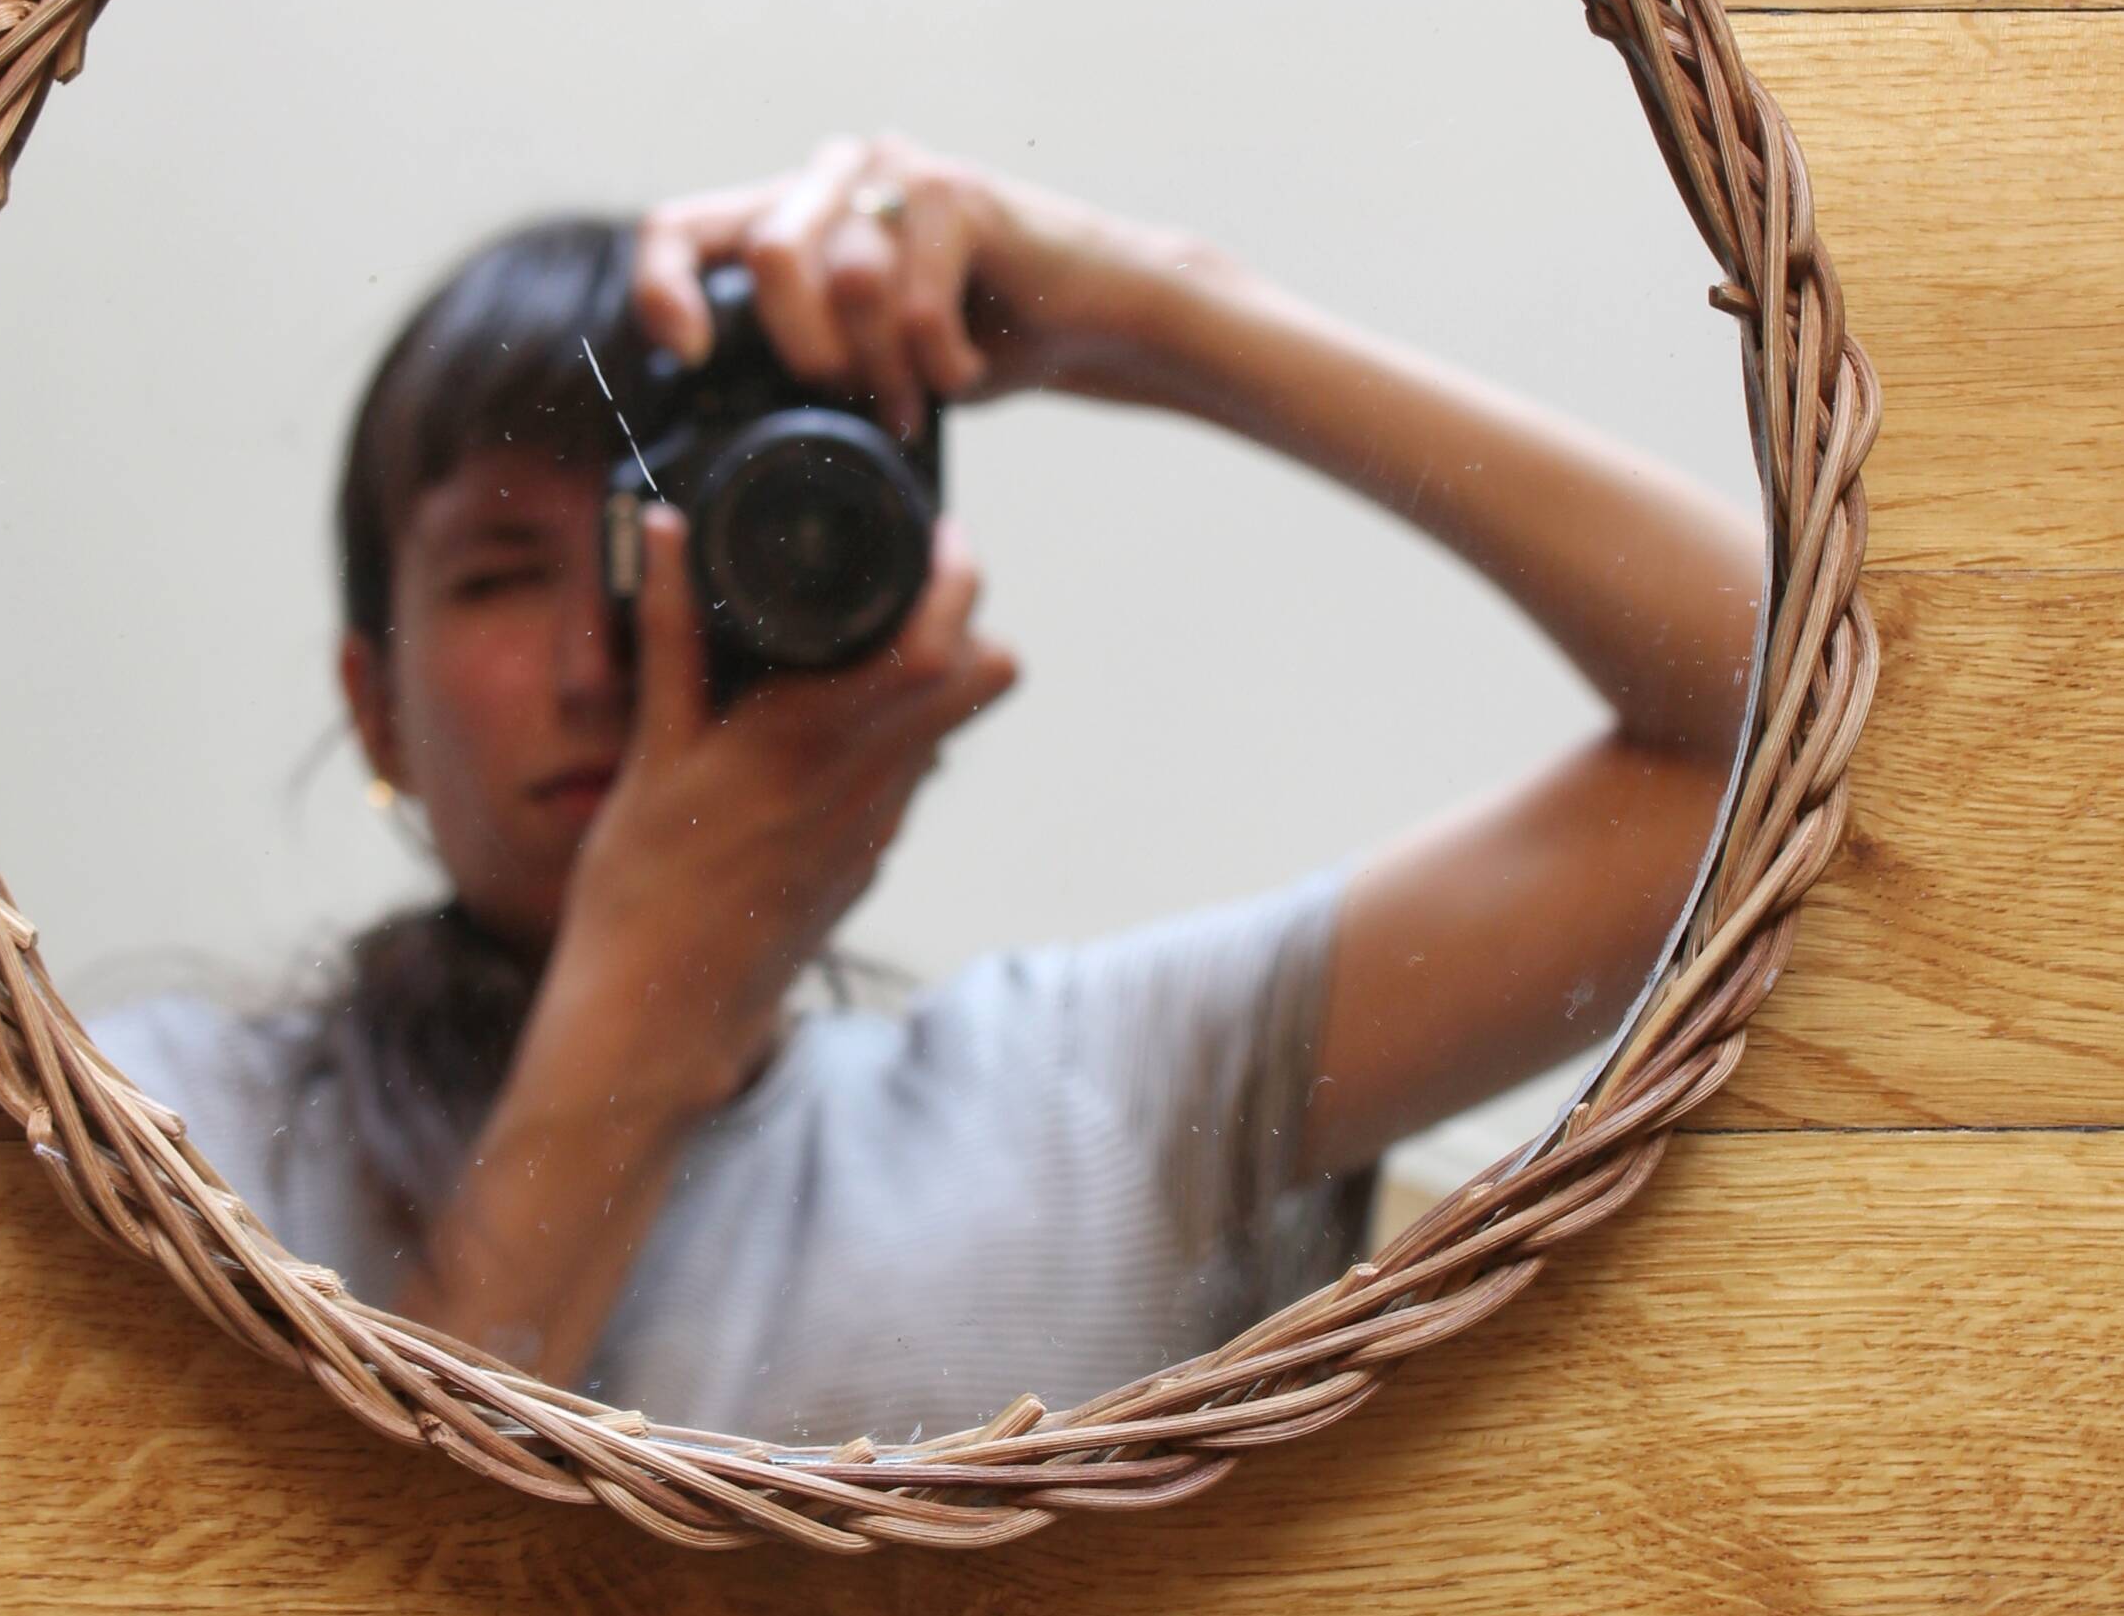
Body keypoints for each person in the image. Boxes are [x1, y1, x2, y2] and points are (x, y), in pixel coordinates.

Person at [90, 134, 1763, 1449]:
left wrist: (1154, 311)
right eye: (503, 574)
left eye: (682, 535)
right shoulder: (188, 1127)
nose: (611, 645)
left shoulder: (1095, 1105)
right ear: (373, 703)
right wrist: (650, 1001)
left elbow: (1775, 740)